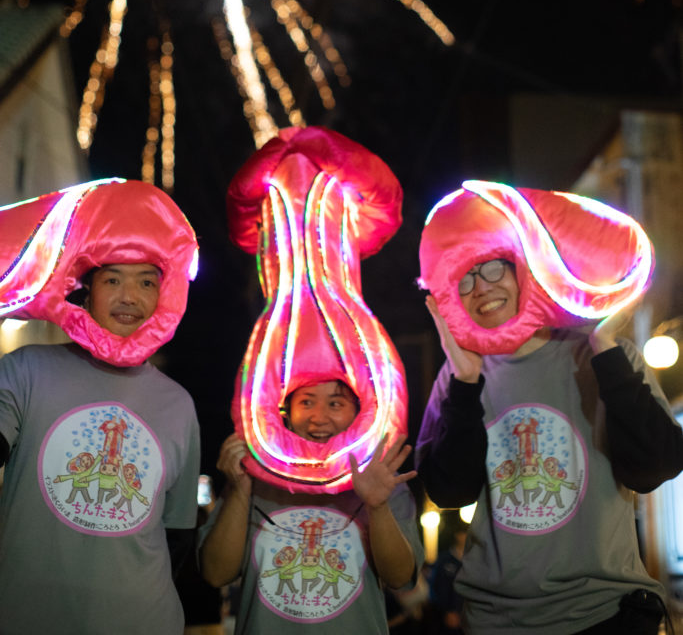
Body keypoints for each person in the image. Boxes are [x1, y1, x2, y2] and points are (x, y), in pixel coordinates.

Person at [417, 250, 683, 635]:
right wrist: (466, 383)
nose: (481, 288)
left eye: (493, 268)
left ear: (525, 269)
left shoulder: (605, 353)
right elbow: (449, 492)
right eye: (465, 279)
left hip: (606, 613)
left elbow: (655, 468)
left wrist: (604, 347)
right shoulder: (458, 374)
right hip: (496, 621)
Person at [0, 179, 201, 635]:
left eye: (146, 282)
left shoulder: (178, 404)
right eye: (113, 280)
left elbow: (177, 535)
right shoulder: (25, 370)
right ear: (86, 291)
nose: (129, 297)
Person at [199, 377, 424, 634]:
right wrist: (240, 489)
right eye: (306, 402)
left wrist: (378, 506)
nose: (319, 418)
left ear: (359, 414)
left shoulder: (381, 480)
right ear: (286, 412)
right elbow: (216, 574)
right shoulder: (250, 478)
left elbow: (400, 578)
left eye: (335, 404)